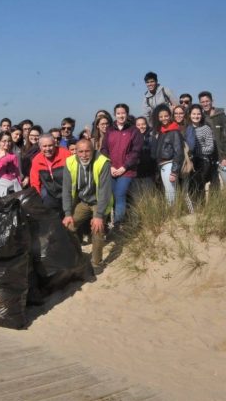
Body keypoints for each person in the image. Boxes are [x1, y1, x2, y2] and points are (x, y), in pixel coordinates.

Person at [61, 138, 113, 274]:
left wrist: (99, 215)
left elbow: (104, 191)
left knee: (97, 228)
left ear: (93, 150)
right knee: (68, 226)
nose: (84, 155)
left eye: (87, 151)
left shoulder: (103, 162)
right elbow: (66, 189)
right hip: (83, 201)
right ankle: (75, 255)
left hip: (99, 201)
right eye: (81, 151)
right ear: (76, 152)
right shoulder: (69, 162)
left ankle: (97, 262)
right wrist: (67, 213)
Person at [101, 104, 143, 226]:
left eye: (123, 113)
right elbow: (104, 149)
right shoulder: (110, 130)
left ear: (127, 114)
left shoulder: (134, 130)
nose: (121, 115)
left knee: (120, 194)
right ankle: (114, 222)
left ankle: (119, 225)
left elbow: (136, 151)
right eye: (118, 113)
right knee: (113, 197)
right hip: (112, 169)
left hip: (127, 170)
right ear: (115, 115)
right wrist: (110, 166)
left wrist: (124, 167)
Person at [198, 91, 226, 190]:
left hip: (222, 157)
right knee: (213, 183)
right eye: (202, 102)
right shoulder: (200, 118)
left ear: (212, 101)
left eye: (207, 101)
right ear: (200, 103)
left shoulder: (222, 116)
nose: (205, 104)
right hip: (208, 157)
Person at [151, 105, 185, 206]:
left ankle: (172, 214)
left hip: (169, 165)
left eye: (166, 116)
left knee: (170, 192)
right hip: (163, 166)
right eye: (161, 116)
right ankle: (171, 213)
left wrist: (174, 172)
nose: (163, 118)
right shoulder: (162, 131)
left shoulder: (174, 131)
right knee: (168, 191)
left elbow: (179, 153)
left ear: (170, 116)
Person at [30, 134, 71, 212]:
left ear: (55, 145)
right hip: (49, 193)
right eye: (44, 146)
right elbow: (35, 183)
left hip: (66, 191)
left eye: (50, 146)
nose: (48, 149)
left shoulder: (66, 154)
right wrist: (37, 200)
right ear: (40, 147)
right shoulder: (36, 160)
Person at [186, 105, 215, 206]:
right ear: (189, 115)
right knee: (190, 186)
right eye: (194, 114)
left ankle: (201, 208)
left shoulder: (206, 128)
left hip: (203, 161)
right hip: (190, 161)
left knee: (199, 185)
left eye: (198, 114)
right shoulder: (187, 128)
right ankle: (192, 208)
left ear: (201, 115)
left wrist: (196, 151)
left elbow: (210, 147)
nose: (196, 116)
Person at [0, 132, 22, 197]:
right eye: (4, 141)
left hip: (13, 184)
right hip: (1, 183)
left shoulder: (13, 155)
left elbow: (17, 173)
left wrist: (19, 184)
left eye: (9, 141)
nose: (7, 144)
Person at [132, 116, 157, 197]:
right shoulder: (131, 138)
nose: (141, 127)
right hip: (135, 173)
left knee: (149, 196)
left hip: (149, 173)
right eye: (138, 125)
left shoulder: (152, 137)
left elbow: (154, 155)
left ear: (147, 124)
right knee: (137, 197)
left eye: (143, 124)